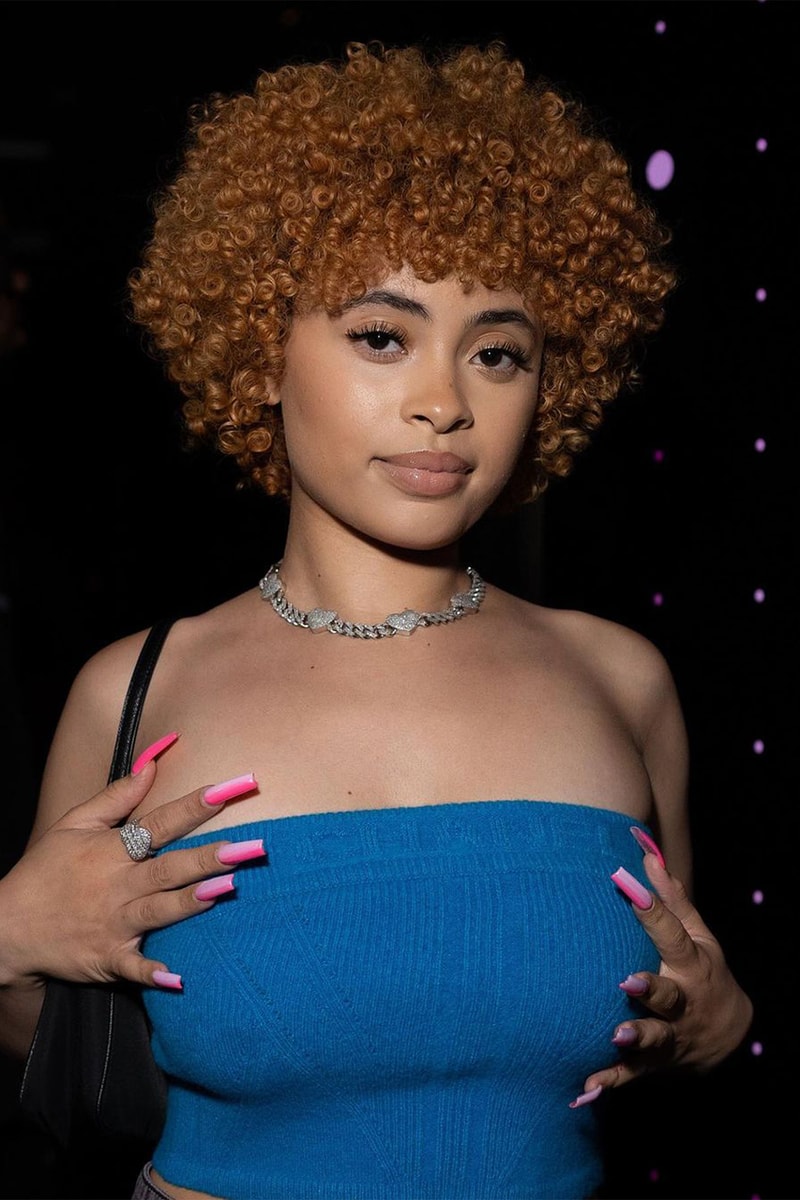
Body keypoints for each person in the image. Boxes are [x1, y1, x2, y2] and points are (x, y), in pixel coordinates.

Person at [1, 39, 752, 1200]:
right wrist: (8, 928)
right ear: (262, 349)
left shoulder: (620, 682)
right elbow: (43, 1044)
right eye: (380, 336)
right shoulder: (134, 693)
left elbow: (678, 1011)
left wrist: (717, 1026)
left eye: (495, 352)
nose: (443, 401)